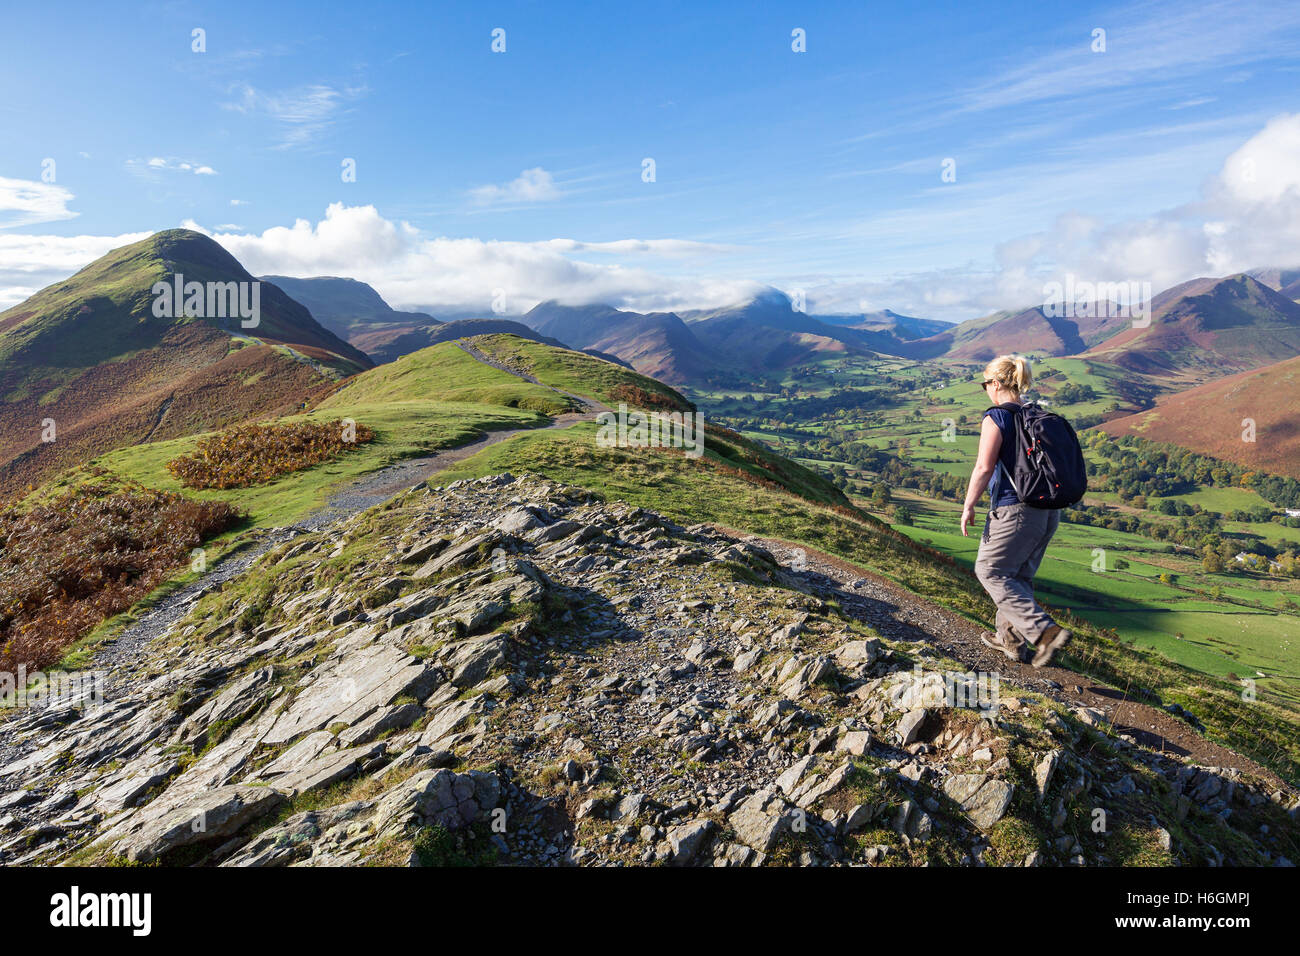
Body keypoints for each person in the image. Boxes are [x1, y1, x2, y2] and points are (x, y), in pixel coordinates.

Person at [959, 354, 1071, 668]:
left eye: (985, 384)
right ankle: (1009, 640)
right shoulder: (1034, 415)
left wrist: (969, 505)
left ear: (996, 383)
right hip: (1048, 512)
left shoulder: (997, 416)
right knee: (1017, 576)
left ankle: (1046, 633)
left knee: (990, 571)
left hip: (1015, 511)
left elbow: (984, 466)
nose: (985, 389)